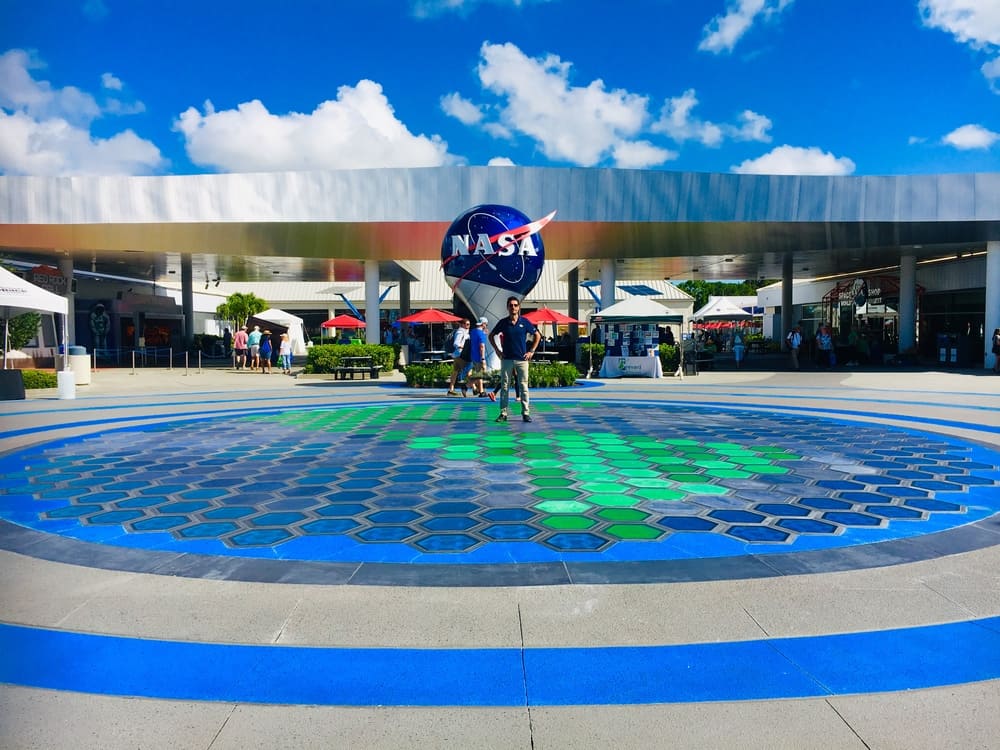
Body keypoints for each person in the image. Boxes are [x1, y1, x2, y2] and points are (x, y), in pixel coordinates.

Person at [490, 296, 540, 423]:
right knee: (505, 386)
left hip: (522, 359)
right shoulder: (503, 322)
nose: (513, 307)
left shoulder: (525, 322)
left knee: (523, 386)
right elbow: (491, 335)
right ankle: (503, 413)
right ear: (507, 307)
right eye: (511, 305)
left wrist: (531, 351)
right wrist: (497, 350)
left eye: (515, 305)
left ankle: (525, 412)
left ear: (519, 307)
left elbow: (537, 335)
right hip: (507, 359)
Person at [446, 319, 472, 396]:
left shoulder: (464, 332)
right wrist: (463, 347)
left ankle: (451, 389)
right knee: (468, 371)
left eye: (469, 324)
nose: (468, 326)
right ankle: (473, 388)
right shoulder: (461, 332)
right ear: (462, 324)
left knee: (455, 372)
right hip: (461, 355)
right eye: (467, 324)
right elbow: (456, 343)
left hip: (458, 355)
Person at [467, 317, 489, 397]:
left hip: (472, 355)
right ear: (483, 324)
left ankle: (480, 391)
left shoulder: (473, 331)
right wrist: (483, 358)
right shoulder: (481, 334)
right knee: (480, 374)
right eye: (486, 324)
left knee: (478, 374)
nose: (486, 326)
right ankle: (467, 386)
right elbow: (482, 346)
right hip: (478, 356)